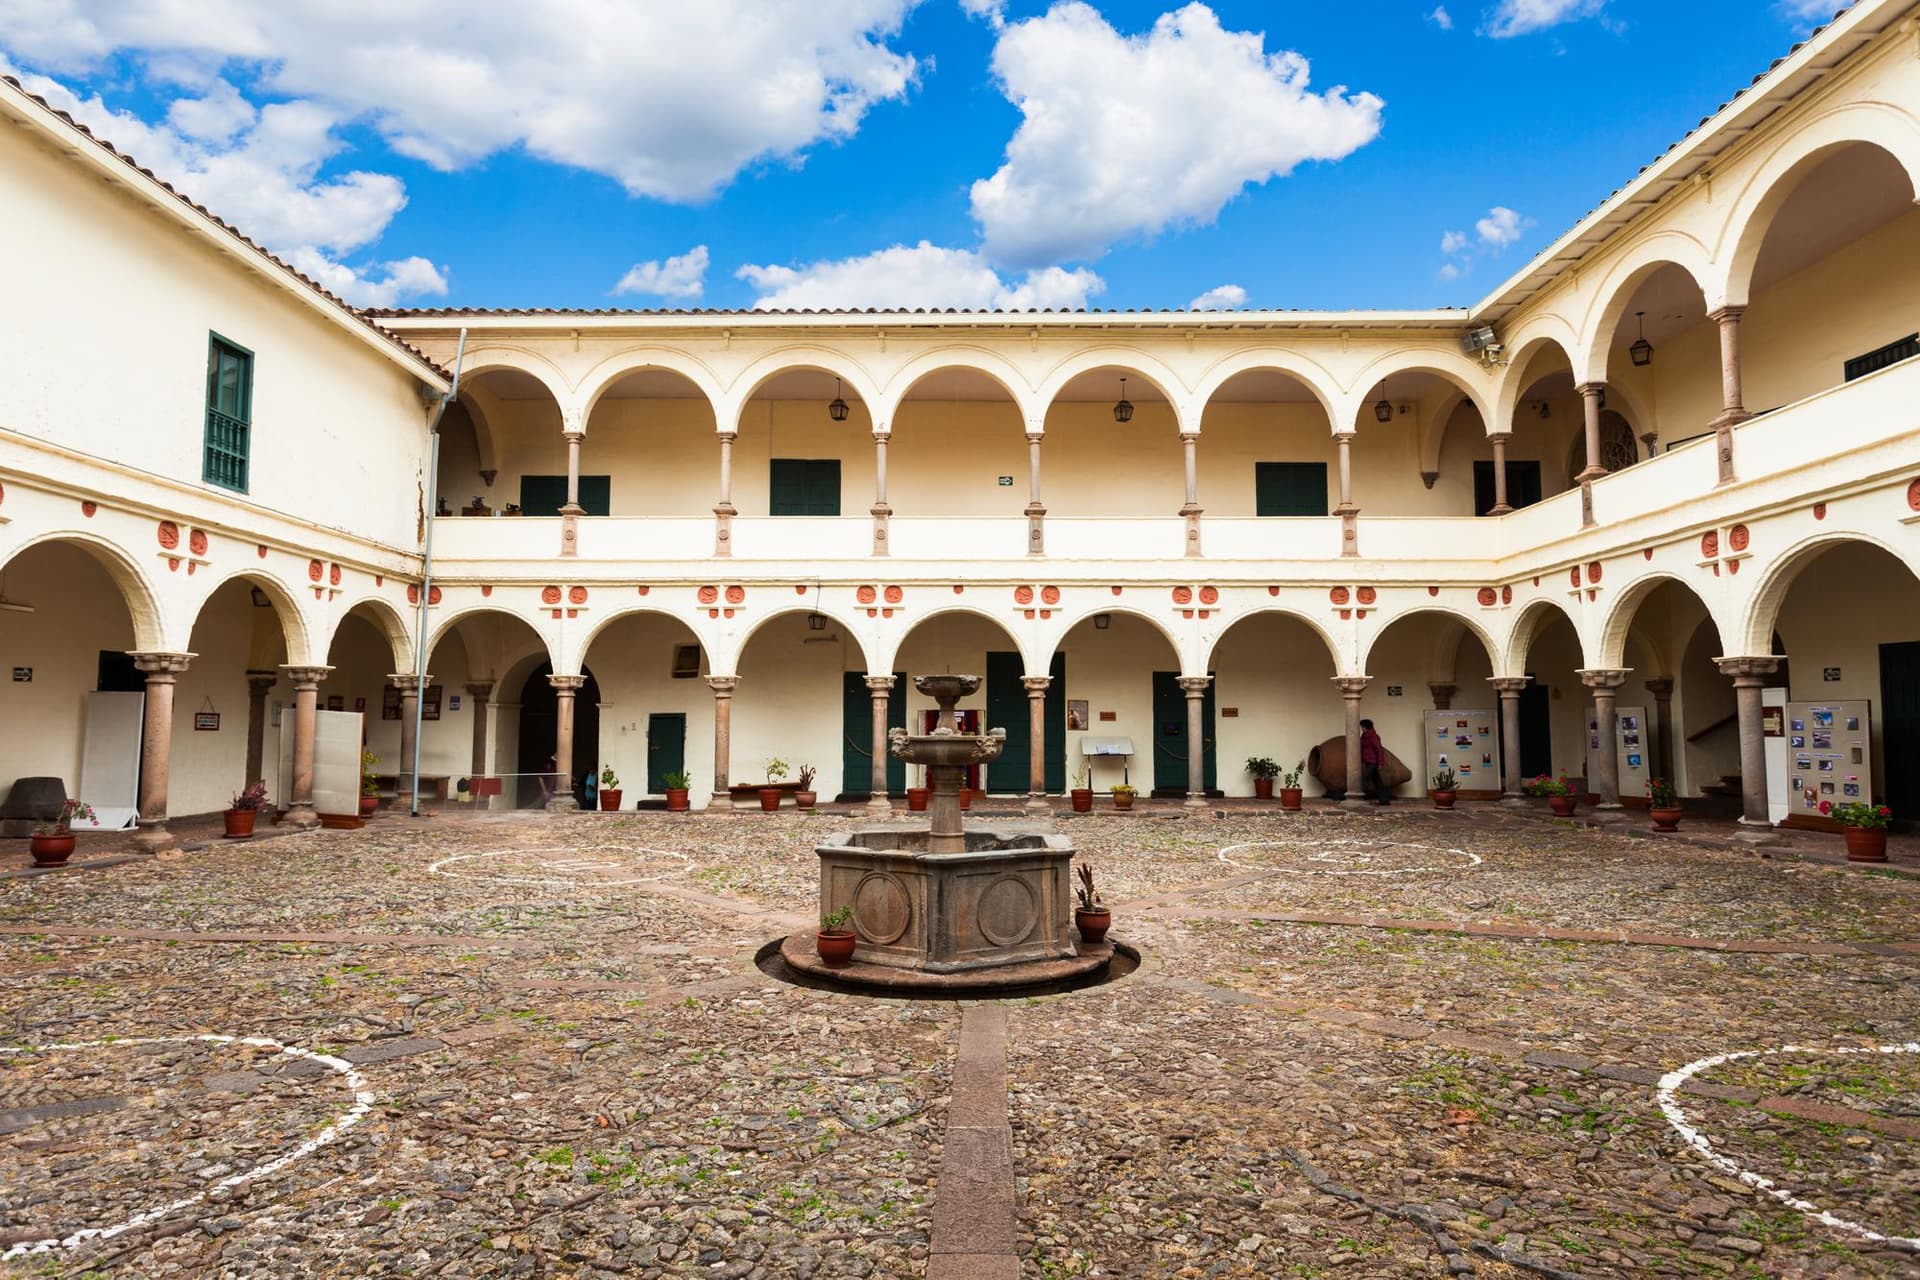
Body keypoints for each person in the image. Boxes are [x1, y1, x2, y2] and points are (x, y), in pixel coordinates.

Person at [1359, 718, 1390, 805]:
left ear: (1366, 727)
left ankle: (1358, 797)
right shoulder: (1364, 736)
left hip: (1373, 762)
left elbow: (1379, 750)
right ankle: (1384, 800)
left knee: (1366, 779)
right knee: (1377, 781)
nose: (1361, 728)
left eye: (1362, 727)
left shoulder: (1373, 737)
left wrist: (1380, 763)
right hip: (1368, 761)